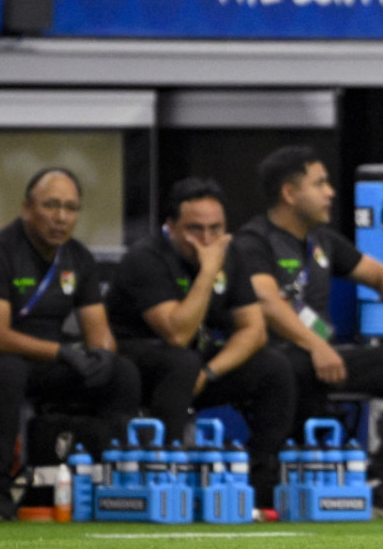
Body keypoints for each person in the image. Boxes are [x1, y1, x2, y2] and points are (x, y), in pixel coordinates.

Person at [231, 146, 383, 520]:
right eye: (319, 184)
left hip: (326, 356)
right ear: (289, 193)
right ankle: (272, 483)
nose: (330, 192)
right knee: (290, 367)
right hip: (275, 360)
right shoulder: (254, 241)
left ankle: (379, 480)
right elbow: (267, 303)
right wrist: (316, 344)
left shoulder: (323, 241)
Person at [106, 177, 295, 511]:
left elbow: (253, 330)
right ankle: (166, 477)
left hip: (196, 367)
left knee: (274, 367)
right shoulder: (146, 258)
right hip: (138, 363)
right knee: (181, 359)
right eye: (196, 229)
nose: (208, 240)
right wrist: (208, 272)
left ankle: (257, 483)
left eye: (216, 229)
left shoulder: (231, 253)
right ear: (171, 226)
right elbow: (176, 333)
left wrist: (209, 371)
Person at [0, 168, 141, 522]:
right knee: (6, 371)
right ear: (27, 208)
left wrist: (101, 354)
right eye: (51, 206)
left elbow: (98, 329)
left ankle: (114, 481)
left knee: (121, 373)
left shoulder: (78, 258)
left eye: (71, 208)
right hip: (3, 358)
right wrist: (63, 353)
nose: (61, 217)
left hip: (50, 360)